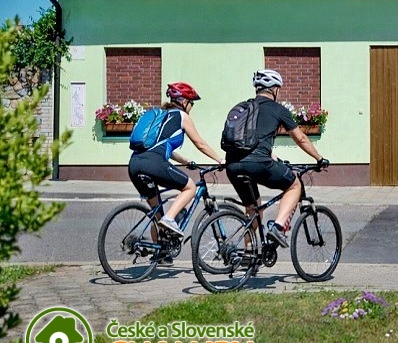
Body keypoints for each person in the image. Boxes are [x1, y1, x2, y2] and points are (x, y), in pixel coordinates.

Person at [225, 69, 328, 247]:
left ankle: (248, 253)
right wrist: (319, 158)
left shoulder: (243, 108)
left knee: (253, 209)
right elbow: (301, 138)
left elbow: (251, 141)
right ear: (274, 90)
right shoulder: (278, 110)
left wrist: (275, 158)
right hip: (258, 164)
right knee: (294, 184)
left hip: (232, 165)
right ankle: (279, 228)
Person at [128, 82, 226, 255]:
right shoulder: (181, 116)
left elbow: (163, 148)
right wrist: (220, 159)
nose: (192, 107)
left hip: (134, 164)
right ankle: (170, 218)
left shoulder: (160, 116)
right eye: (191, 103)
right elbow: (200, 143)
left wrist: (185, 160)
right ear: (184, 101)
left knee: (156, 213)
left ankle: (160, 254)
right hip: (153, 163)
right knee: (190, 187)